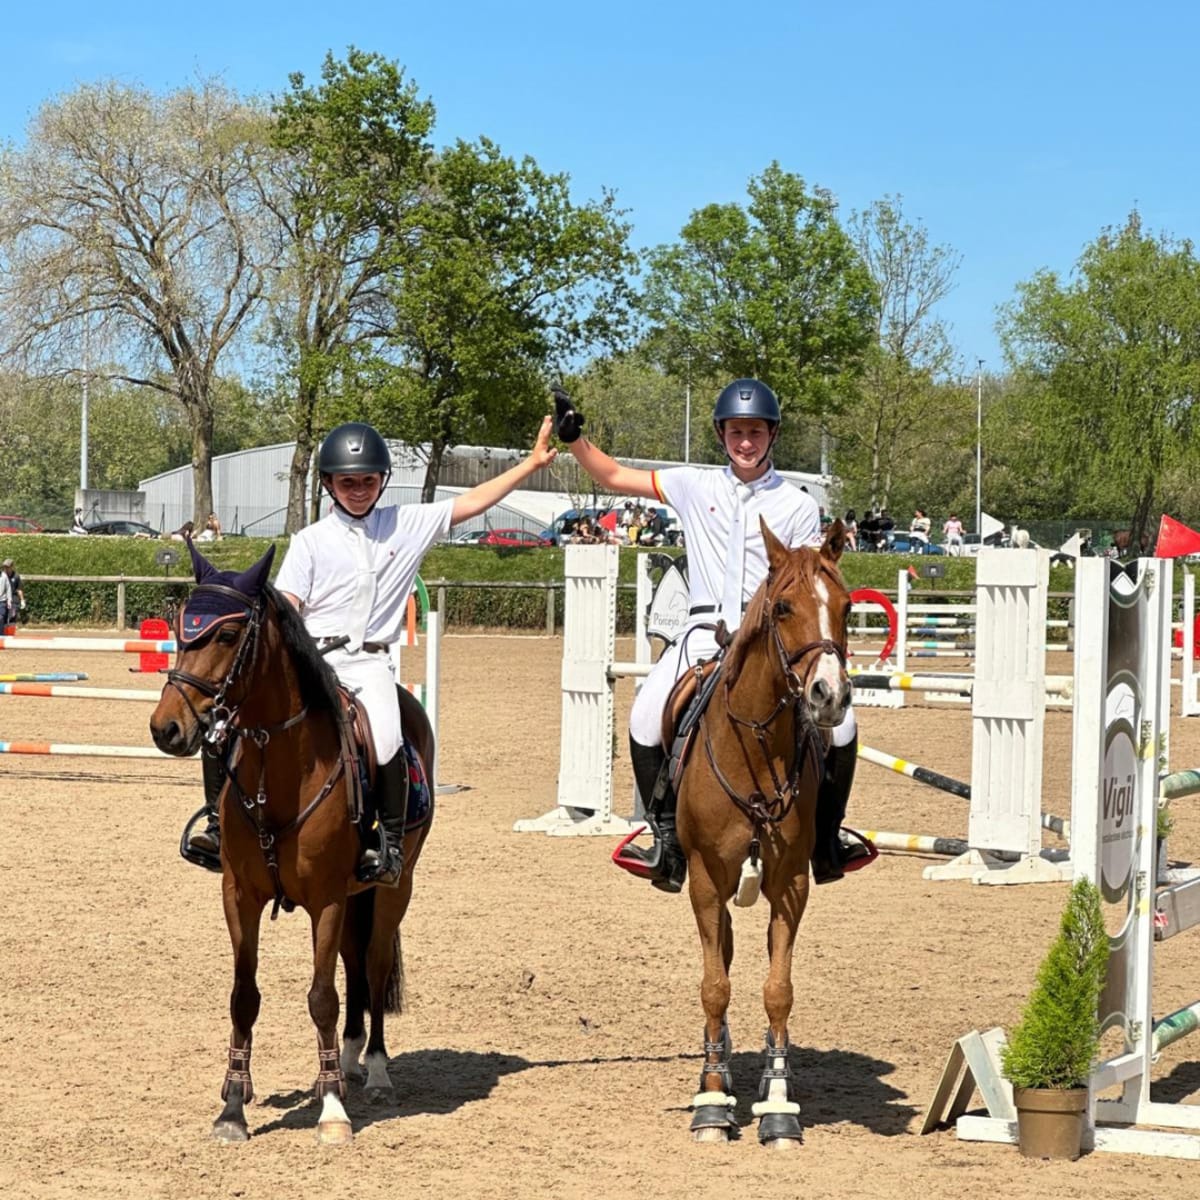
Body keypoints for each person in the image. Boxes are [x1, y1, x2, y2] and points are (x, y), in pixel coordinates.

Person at [185, 416, 558, 884]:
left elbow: (472, 502)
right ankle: (219, 829)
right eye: (347, 482)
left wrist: (529, 464)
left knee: (385, 735)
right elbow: (290, 609)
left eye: (367, 481)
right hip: (314, 658)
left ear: (381, 482)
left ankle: (388, 844)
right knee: (224, 724)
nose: (357, 489)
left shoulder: (406, 524)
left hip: (368, 662)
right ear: (328, 484)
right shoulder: (309, 542)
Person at [552, 378, 866, 893]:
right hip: (704, 631)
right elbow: (612, 476)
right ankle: (667, 841)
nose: (746, 442)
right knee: (645, 714)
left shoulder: (798, 505)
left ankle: (827, 841)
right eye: (737, 432)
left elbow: (811, 584)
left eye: (756, 432)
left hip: (770, 636)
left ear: (772, 435)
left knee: (844, 725)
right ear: (722, 433)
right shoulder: (693, 484)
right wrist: (574, 441)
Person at [0, 560, 13, 630]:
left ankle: (1, 635)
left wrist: (9, 600)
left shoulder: (4, 576)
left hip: (2, 601)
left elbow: (8, 588)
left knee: (0, 618)